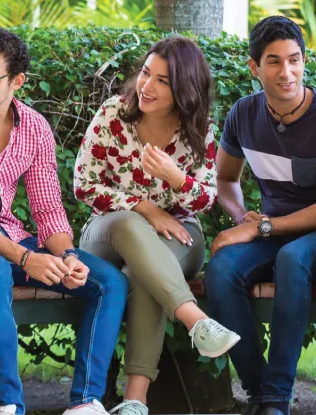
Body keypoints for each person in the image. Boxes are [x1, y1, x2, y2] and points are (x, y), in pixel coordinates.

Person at [0, 28, 130, 415]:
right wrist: (25, 258)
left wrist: (65, 255)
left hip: (9, 238)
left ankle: (85, 401)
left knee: (108, 282)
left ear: (17, 81)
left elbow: (48, 208)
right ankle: (9, 405)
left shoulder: (34, 128)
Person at [73, 35, 241, 415]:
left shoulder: (198, 128)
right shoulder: (114, 114)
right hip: (108, 232)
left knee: (144, 271)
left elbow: (206, 198)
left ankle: (135, 401)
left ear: (185, 90)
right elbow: (84, 185)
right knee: (132, 226)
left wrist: (176, 178)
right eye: (147, 73)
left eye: (163, 81)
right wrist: (145, 207)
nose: (147, 86)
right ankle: (196, 322)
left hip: (179, 236)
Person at [202, 16, 316, 415]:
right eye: (273, 61)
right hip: (271, 231)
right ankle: (261, 394)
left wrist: (263, 227)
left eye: (294, 60)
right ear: (254, 67)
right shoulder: (243, 114)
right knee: (221, 269)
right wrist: (244, 220)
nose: (286, 72)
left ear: (305, 61)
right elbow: (224, 180)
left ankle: (275, 398)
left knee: (293, 259)